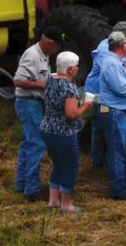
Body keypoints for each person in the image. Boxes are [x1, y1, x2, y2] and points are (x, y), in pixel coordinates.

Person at [86, 21, 126, 166]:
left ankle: (111, 166)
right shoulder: (106, 53)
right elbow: (118, 82)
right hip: (99, 92)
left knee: (116, 137)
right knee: (98, 128)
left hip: (116, 100)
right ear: (120, 41)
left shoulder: (125, 44)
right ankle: (97, 162)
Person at [40, 51, 95, 211]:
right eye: (77, 66)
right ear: (70, 70)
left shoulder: (51, 80)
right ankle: (66, 204)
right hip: (63, 132)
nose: (78, 69)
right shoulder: (69, 88)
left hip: (47, 129)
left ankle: (52, 201)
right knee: (70, 166)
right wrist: (86, 106)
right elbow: (71, 114)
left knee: (58, 164)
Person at [13, 26, 62, 201]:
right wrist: (43, 86)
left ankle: (21, 184)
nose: (57, 51)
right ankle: (31, 190)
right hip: (28, 103)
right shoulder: (32, 55)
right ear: (49, 43)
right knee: (37, 144)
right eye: (57, 46)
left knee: (28, 144)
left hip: (34, 103)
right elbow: (18, 81)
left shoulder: (44, 55)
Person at [99, 31, 126, 199]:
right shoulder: (111, 64)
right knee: (118, 151)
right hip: (113, 112)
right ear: (123, 46)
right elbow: (122, 88)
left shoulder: (118, 62)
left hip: (121, 113)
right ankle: (119, 191)